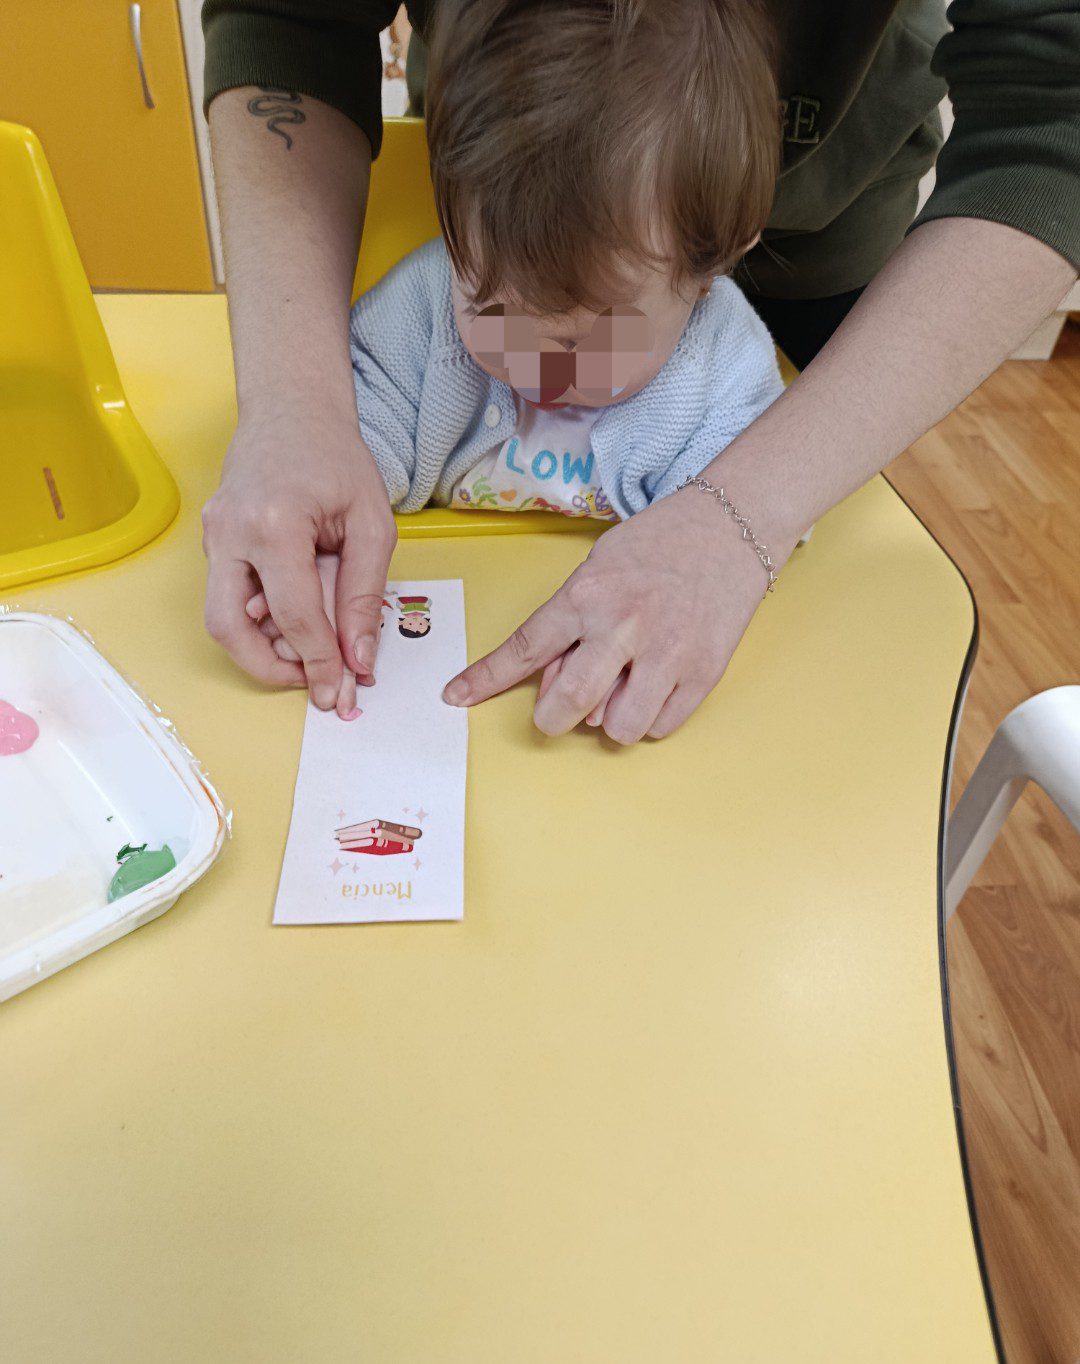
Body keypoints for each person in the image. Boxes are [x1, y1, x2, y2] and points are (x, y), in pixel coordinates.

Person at [199, 0, 1078, 745]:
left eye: (592, 337)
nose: (536, 367)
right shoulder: (423, 311)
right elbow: (363, 429)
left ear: (714, 268)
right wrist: (307, 468)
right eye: (495, 314)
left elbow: (1054, 116)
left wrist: (740, 523)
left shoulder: (725, 379)